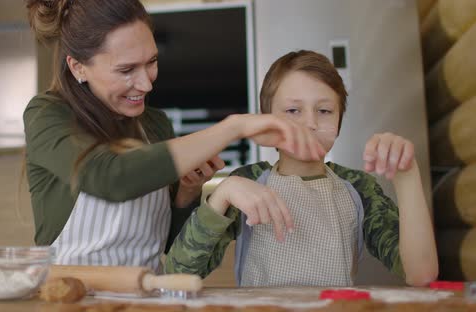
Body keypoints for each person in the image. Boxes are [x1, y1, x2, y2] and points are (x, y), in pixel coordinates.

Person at [23, 0, 325, 272]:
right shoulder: (47, 115)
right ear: (78, 67)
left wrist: (186, 194)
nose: (145, 84)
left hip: (148, 301)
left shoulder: (154, 124)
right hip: (70, 300)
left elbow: (170, 246)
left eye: (151, 62)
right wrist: (234, 127)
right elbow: (110, 177)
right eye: (126, 69)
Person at [164, 50, 438, 287]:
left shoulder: (359, 187)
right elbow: (179, 273)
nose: (310, 124)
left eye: (324, 111)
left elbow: (420, 275)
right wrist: (222, 194)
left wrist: (406, 174)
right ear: (266, 122)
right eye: (293, 111)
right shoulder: (248, 182)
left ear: (340, 120)